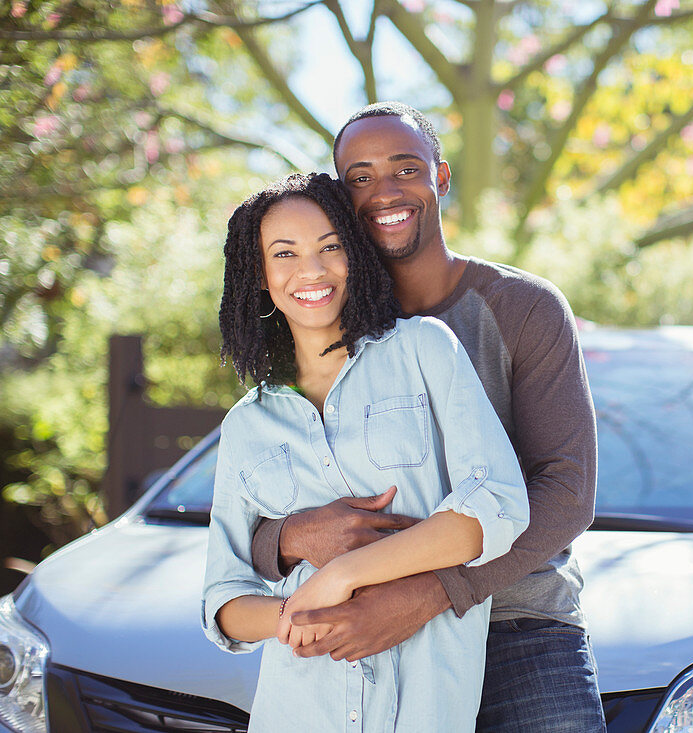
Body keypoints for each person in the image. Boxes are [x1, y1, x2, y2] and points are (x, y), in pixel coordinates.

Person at [249, 102, 607, 731]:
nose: (384, 191)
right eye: (359, 177)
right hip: (366, 638)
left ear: (440, 178)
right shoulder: (317, 327)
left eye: (405, 169)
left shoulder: (522, 309)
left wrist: (430, 594)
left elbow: (568, 491)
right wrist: (287, 537)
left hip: (517, 630)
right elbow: (250, 507)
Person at [202, 172, 530, 731]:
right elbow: (224, 601)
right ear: (259, 275)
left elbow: (495, 506)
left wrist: (343, 575)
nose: (312, 270)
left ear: (353, 254)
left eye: (330, 246)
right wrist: (291, 616)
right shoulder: (246, 426)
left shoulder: (426, 350)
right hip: (297, 710)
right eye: (285, 254)